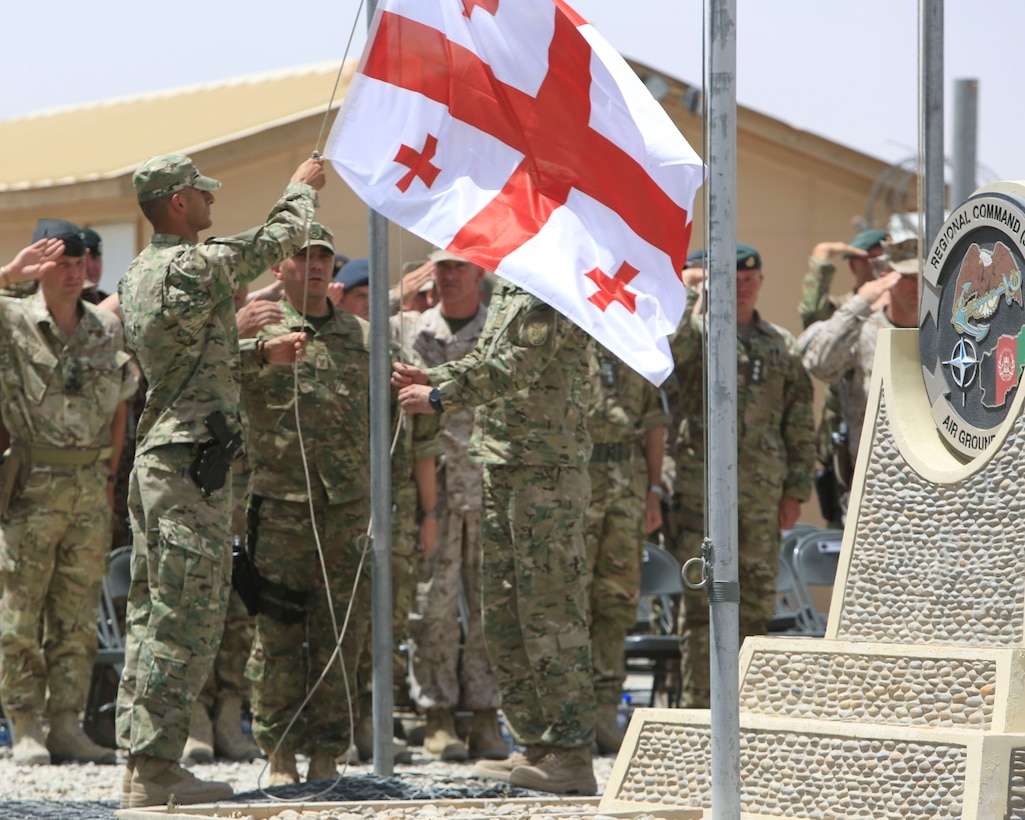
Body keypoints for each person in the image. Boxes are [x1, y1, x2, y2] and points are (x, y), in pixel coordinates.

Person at [114, 152, 324, 809]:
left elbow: (186, 363)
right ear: (178, 202)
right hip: (186, 471)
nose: (210, 201)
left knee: (152, 616)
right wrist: (300, 191)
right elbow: (271, 242)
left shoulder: (142, 273)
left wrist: (256, 351)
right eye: (201, 194)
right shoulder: (192, 264)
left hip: (163, 462)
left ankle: (145, 762)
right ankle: (154, 771)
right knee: (186, 619)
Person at [394, 277, 598, 796]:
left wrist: (438, 394)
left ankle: (571, 751)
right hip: (503, 462)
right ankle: (535, 743)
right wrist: (433, 374)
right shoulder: (511, 286)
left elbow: (517, 366)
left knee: (549, 612)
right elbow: (488, 355)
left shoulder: (551, 282)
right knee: (505, 614)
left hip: (545, 469)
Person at [0, 221, 136, 767]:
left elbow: (121, 404)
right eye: (63, 263)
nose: (76, 272)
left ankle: (66, 724)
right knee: (19, 613)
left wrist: (107, 478)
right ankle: (25, 723)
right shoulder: (12, 319)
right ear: (41, 266)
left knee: (77, 615)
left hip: (87, 486)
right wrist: (8, 275)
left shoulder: (105, 328)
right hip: (31, 486)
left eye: (82, 263)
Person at [241, 223, 372, 784]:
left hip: (345, 509)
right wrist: (244, 341)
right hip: (281, 506)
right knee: (277, 637)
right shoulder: (259, 337)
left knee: (341, 635)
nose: (316, 265)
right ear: (279, 267)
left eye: (324, 256)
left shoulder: (364, 338)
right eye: (302, 256)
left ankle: (327, 752)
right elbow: (208, 379)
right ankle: (279, 752)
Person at [670, 243, 816, 709]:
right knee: (700, 604)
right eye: (735, 280)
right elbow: (672, 359)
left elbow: (798, 418)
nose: (745, 288)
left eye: (752, 279)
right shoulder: (700, 334)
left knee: (754, 603)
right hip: (703, 491)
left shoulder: (780, 344)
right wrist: (697, 301)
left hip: (761, 495)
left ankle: (744, 705)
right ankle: (698, 706)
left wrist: (795, 489)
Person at [331, 256, 441, 764]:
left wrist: (430, 515)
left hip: (394, 516)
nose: (366, 312)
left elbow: (422, 446)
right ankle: (343, 723)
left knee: (389, 625)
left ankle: (378, 721)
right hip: (343, 513)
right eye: (358, 301)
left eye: (374, 303)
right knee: (343, 623)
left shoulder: (398, 360)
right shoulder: (329, 356)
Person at [405, 249, 505, 763]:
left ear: (479, 271)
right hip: (434, 489)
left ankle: (487, 717)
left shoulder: (497, 331)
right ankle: (437, 716)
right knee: (433, 607)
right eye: (440, 267)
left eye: (457, 267)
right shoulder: (414, 331)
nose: (447, 276)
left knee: (490, 606)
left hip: (488, 485)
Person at [585, 345, 669, 753]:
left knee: (617, 600)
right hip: (578, 478)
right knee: (572, 600)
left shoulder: (635, 341)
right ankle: (573, 712)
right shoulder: (570, 336)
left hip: (628, 482)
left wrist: (654, 489)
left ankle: (605, 709)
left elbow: (654, 421)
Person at [798, 238, 919, 510]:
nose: (916, 285)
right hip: (873, 481)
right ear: (887, 278)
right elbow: (820, 365)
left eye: (922, 277)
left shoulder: (945, 330)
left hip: (933, 476)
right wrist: (859, 304)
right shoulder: (864, 328)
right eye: (907, 277)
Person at [80, 227, 111, 305]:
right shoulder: (62, 304)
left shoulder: (107, 300)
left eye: (94, 257)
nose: (90, 266)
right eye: (83, 260)